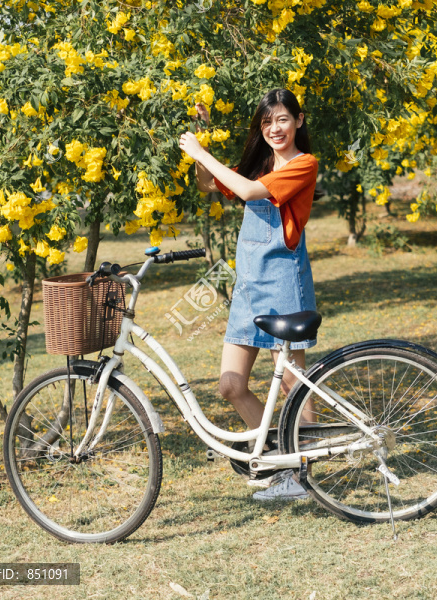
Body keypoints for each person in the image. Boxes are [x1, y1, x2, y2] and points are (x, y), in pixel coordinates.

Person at [179, 88, 319, 501]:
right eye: (266, 122)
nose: (275, 129)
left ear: (298, 121)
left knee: (293, 384)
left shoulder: (302, 165)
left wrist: (203, 153)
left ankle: (301, 474)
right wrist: (201, 138)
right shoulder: (258, 165)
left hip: (283, 282)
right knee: (230, 384)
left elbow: (249, 192)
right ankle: (280, 457)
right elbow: (212, 185)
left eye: (282, 120)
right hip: (250, 286)